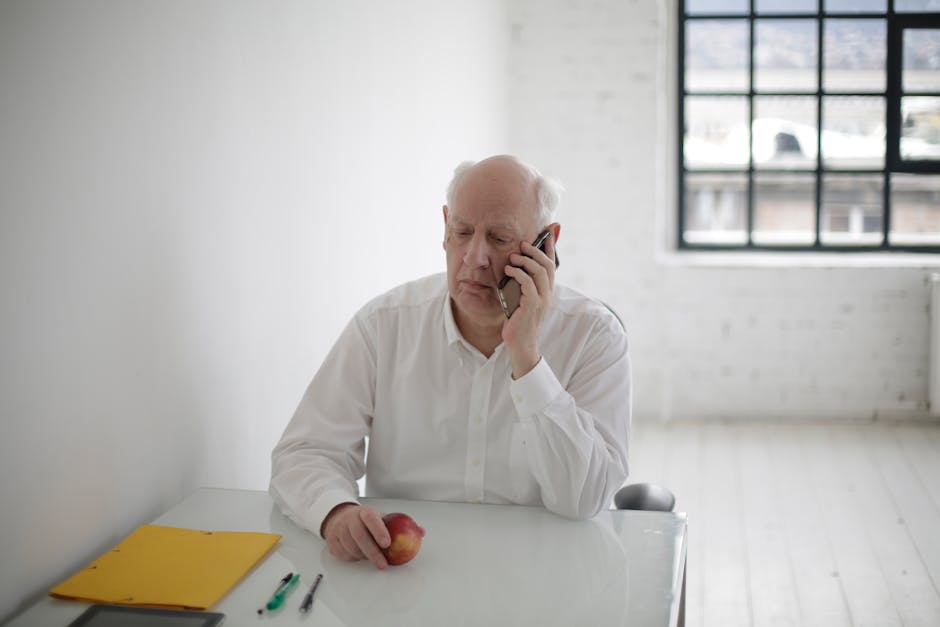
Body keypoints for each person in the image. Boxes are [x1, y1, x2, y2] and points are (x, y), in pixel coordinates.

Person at [270, 155, 631, 569]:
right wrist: (335, 512)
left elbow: (584, 498)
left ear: (546, 242)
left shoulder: (594, 336)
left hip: (541, 574)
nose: (474, 257)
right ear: (445, 228)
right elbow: (304, 452)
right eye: (461, 232)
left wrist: (526, 357)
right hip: (406, 580)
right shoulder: (384, 325)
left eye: (498, 238)